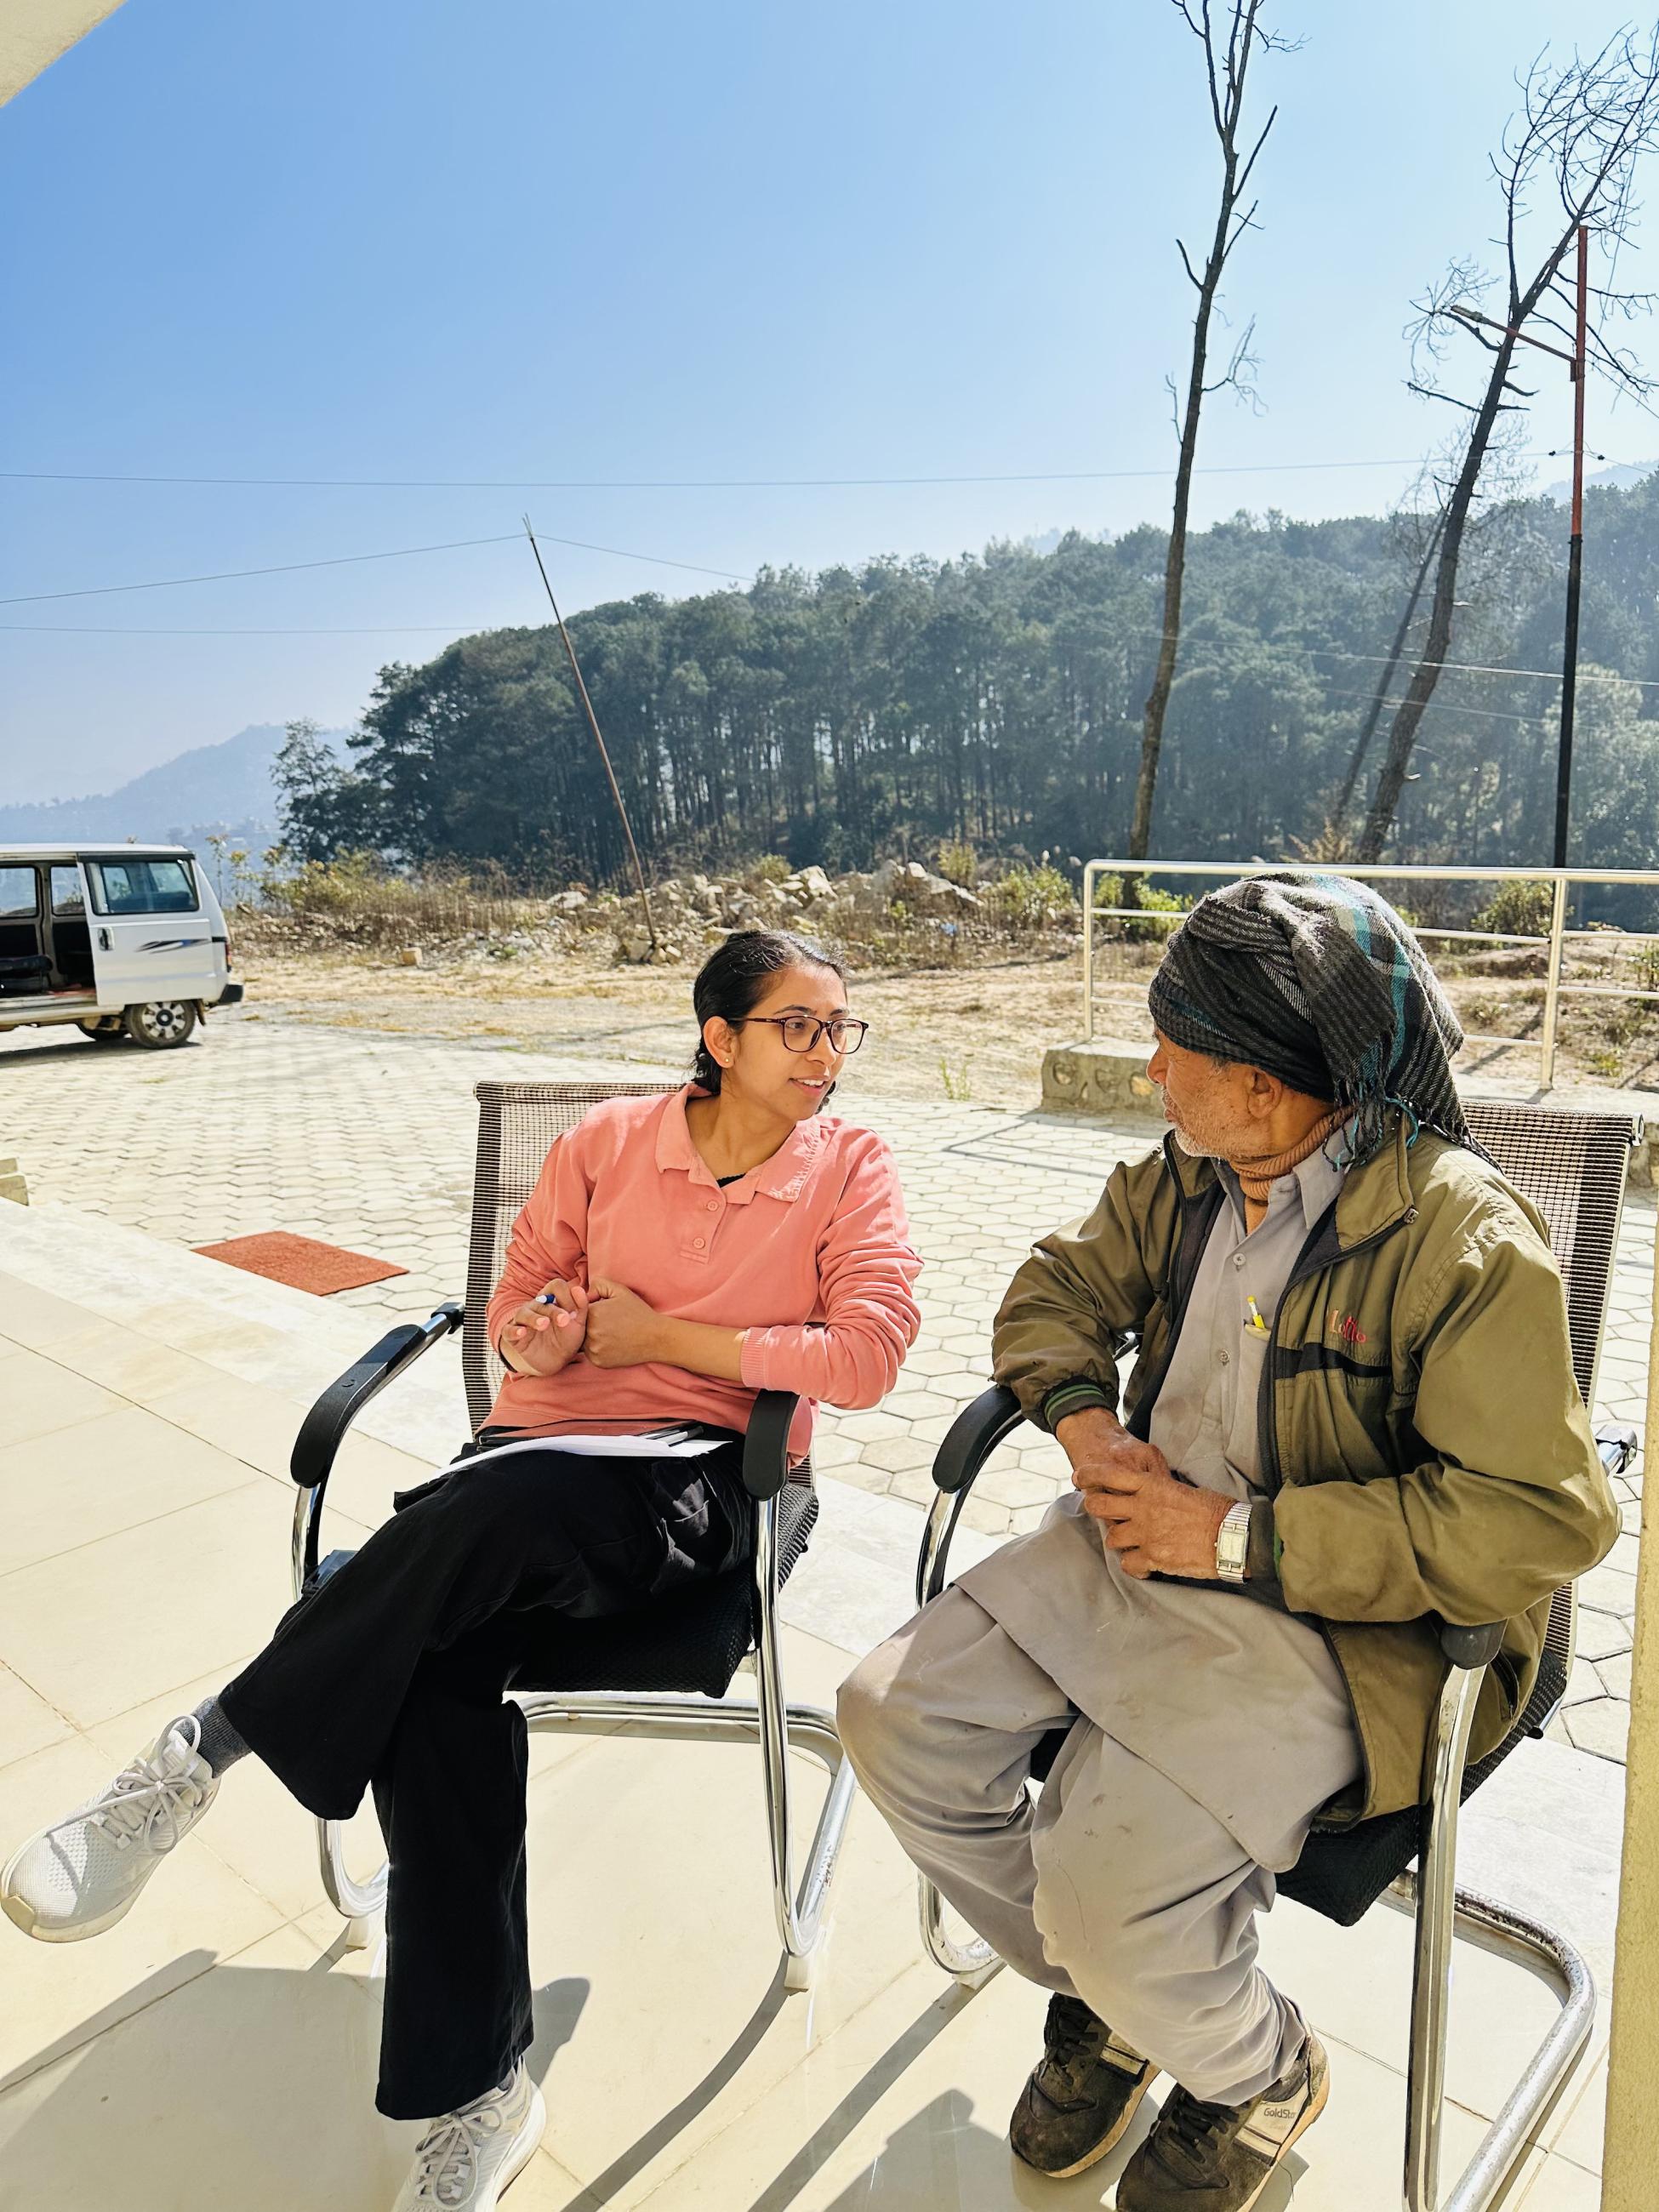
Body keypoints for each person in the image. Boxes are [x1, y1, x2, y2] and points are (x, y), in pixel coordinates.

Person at [3, 927, 921, 2212]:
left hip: (713, 1487)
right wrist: (536, 1337)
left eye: (842, 1029)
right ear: (720, 1037)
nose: (830, 1054)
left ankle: (204, 1751)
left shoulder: (850, 1164)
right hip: (535, 1473)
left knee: (443, 1542)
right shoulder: (606, 1142)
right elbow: (517, 1305)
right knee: (436, 1682)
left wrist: (667, 1334)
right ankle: (475, 2094)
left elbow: (870, 1353)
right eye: (800, 1027)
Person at [837, 872, 1617, 2212]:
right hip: (1136, 1551)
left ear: (1266, 1084)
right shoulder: (1188, 1176)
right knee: (887, 1718)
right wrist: (1084, 1427)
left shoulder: (1460, 1236)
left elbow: (1541, 1521)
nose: (1150, 1072)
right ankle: (1132, 1994)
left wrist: (1242, 1538)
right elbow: (1053, 1291)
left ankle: (1254, 2068)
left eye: (1176, 1051)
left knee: (1097, 1887)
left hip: (1337, 1621)